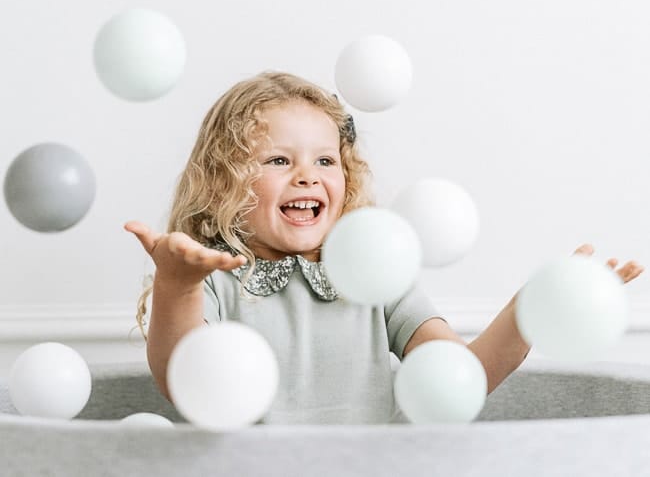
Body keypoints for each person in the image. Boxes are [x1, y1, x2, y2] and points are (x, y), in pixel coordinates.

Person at [125, 71, 644, 424]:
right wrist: (177, 284)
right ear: (224, 182)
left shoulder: (378, 276)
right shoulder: (212, 281)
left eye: (325, 162)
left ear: (347, 177)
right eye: (279, 161)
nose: (307, 176)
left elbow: (461, 379)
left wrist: (535, 310)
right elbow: (182, 379)